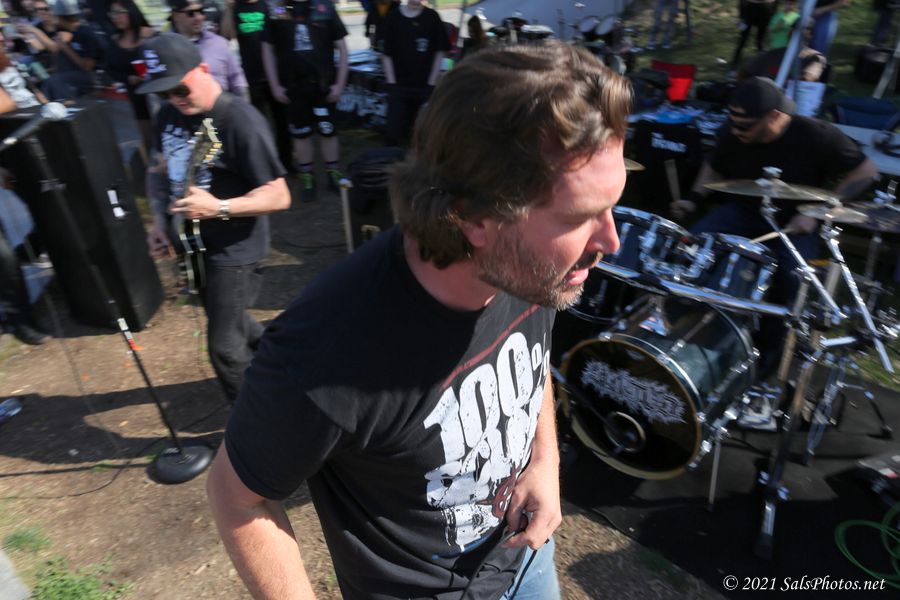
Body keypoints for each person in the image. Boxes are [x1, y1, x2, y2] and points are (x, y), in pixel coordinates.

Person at [207, 41, 630, 599]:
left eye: (612, 205)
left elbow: (531, 358)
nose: (611, 241)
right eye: (580, 217)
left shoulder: (534, 271)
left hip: (527, 559)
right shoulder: (326, 352)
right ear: (476, 219)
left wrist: (544, 462)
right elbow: (237, 497)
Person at [670, 77, 878, 375]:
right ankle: (685, 327)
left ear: (775, 116)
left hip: (796, 222)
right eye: (733, 123)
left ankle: (768, 354)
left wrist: (819, 213)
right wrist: (693, 199)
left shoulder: (816, 134)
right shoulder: (733, 131)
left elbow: (866, 170)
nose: (736, 131)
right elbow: (713, 164)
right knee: (692, 247)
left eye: (745, 126)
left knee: (793, 277)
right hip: (744, 210)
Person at [138, 33, 290, 403]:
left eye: (180, 88)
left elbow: (279, 195)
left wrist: (219, 207)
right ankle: (290, 365)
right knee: (232, 321)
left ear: (203, 69)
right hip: (192, 243)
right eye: (163, 92)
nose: (174, 98)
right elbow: (158, 169)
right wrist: (158, 222)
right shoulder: (168, 115)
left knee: (224, 345)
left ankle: (255, 421)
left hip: (234, 248)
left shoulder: (240, 120)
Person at [261, 0, 348, 203]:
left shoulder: (325, 7)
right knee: (301, 135)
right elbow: (267, 49)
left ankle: (333, 174)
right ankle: (307, 177)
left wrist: (339, 84)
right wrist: (275, 85)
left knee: (328, 131)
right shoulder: (277, 9)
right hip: (294, 88)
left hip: (323, 86)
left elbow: (343, 48)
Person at [219, 0, 293, 170]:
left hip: (275, 74)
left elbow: (285, 22)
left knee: (282, 121)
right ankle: (265, 162)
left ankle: (286, 162)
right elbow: (226, 35)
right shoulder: (236, 7)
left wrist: (280, 8)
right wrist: (229, 8)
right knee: (257, 123)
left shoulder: (268, 4)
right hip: (250, 76)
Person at [378, 0, 449, 147]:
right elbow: (386, 54)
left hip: (424, 87)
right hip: (398, 86)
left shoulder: (432, 17)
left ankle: (418, 159)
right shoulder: (392, 17)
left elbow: (440, 51)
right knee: (393, 132)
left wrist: (431, 84)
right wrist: (392, 84)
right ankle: (392, 158)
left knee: (423, 134)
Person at [104, 0, 155, 154]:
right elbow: (111, 69)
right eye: (113, 14)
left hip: (157, 93)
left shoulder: (149, 34)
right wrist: (127, 79)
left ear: (131, 12)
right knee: (148, 138)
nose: (116, 17)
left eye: (120, 13)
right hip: (136, 96)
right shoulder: (115, 41)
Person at [168, 0, 248, 98]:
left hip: (223, 104)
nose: (199, 18)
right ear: (176, 16)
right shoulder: (164, 48)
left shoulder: (219, 43)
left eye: (201, 11)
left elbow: (238, 82)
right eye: (191, 13)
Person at [40, 0, 101, 101]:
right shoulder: (63, 32)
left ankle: (67, 104)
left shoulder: (84, 33)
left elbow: (87, 66)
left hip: (92, 77)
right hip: (70, 76)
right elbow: (57, 64)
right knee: (49, 81)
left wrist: (65, 47)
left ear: (60, 18)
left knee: (55, 81)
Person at [731, 0, 777, 72]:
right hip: (750, 10)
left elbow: (776, 2)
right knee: (742, 41)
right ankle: (734, 66)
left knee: (760, 42)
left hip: (765, 11)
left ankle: (761, 67)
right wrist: (741, 17)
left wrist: (773, 15)